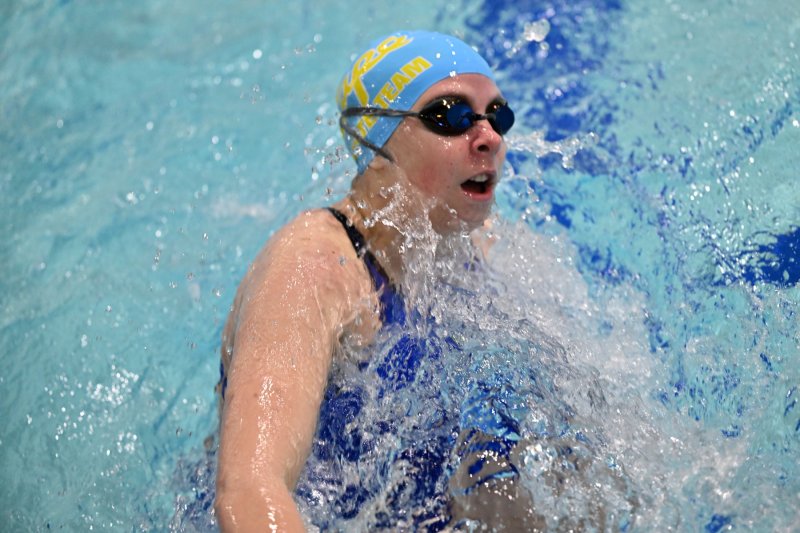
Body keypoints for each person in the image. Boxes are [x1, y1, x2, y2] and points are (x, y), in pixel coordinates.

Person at [214, 30, 518, 531]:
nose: (489, 137)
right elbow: (249, 489)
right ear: (376, 144)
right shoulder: (313, 267)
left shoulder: (482, 249)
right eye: (451, 116)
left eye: (496, 115)